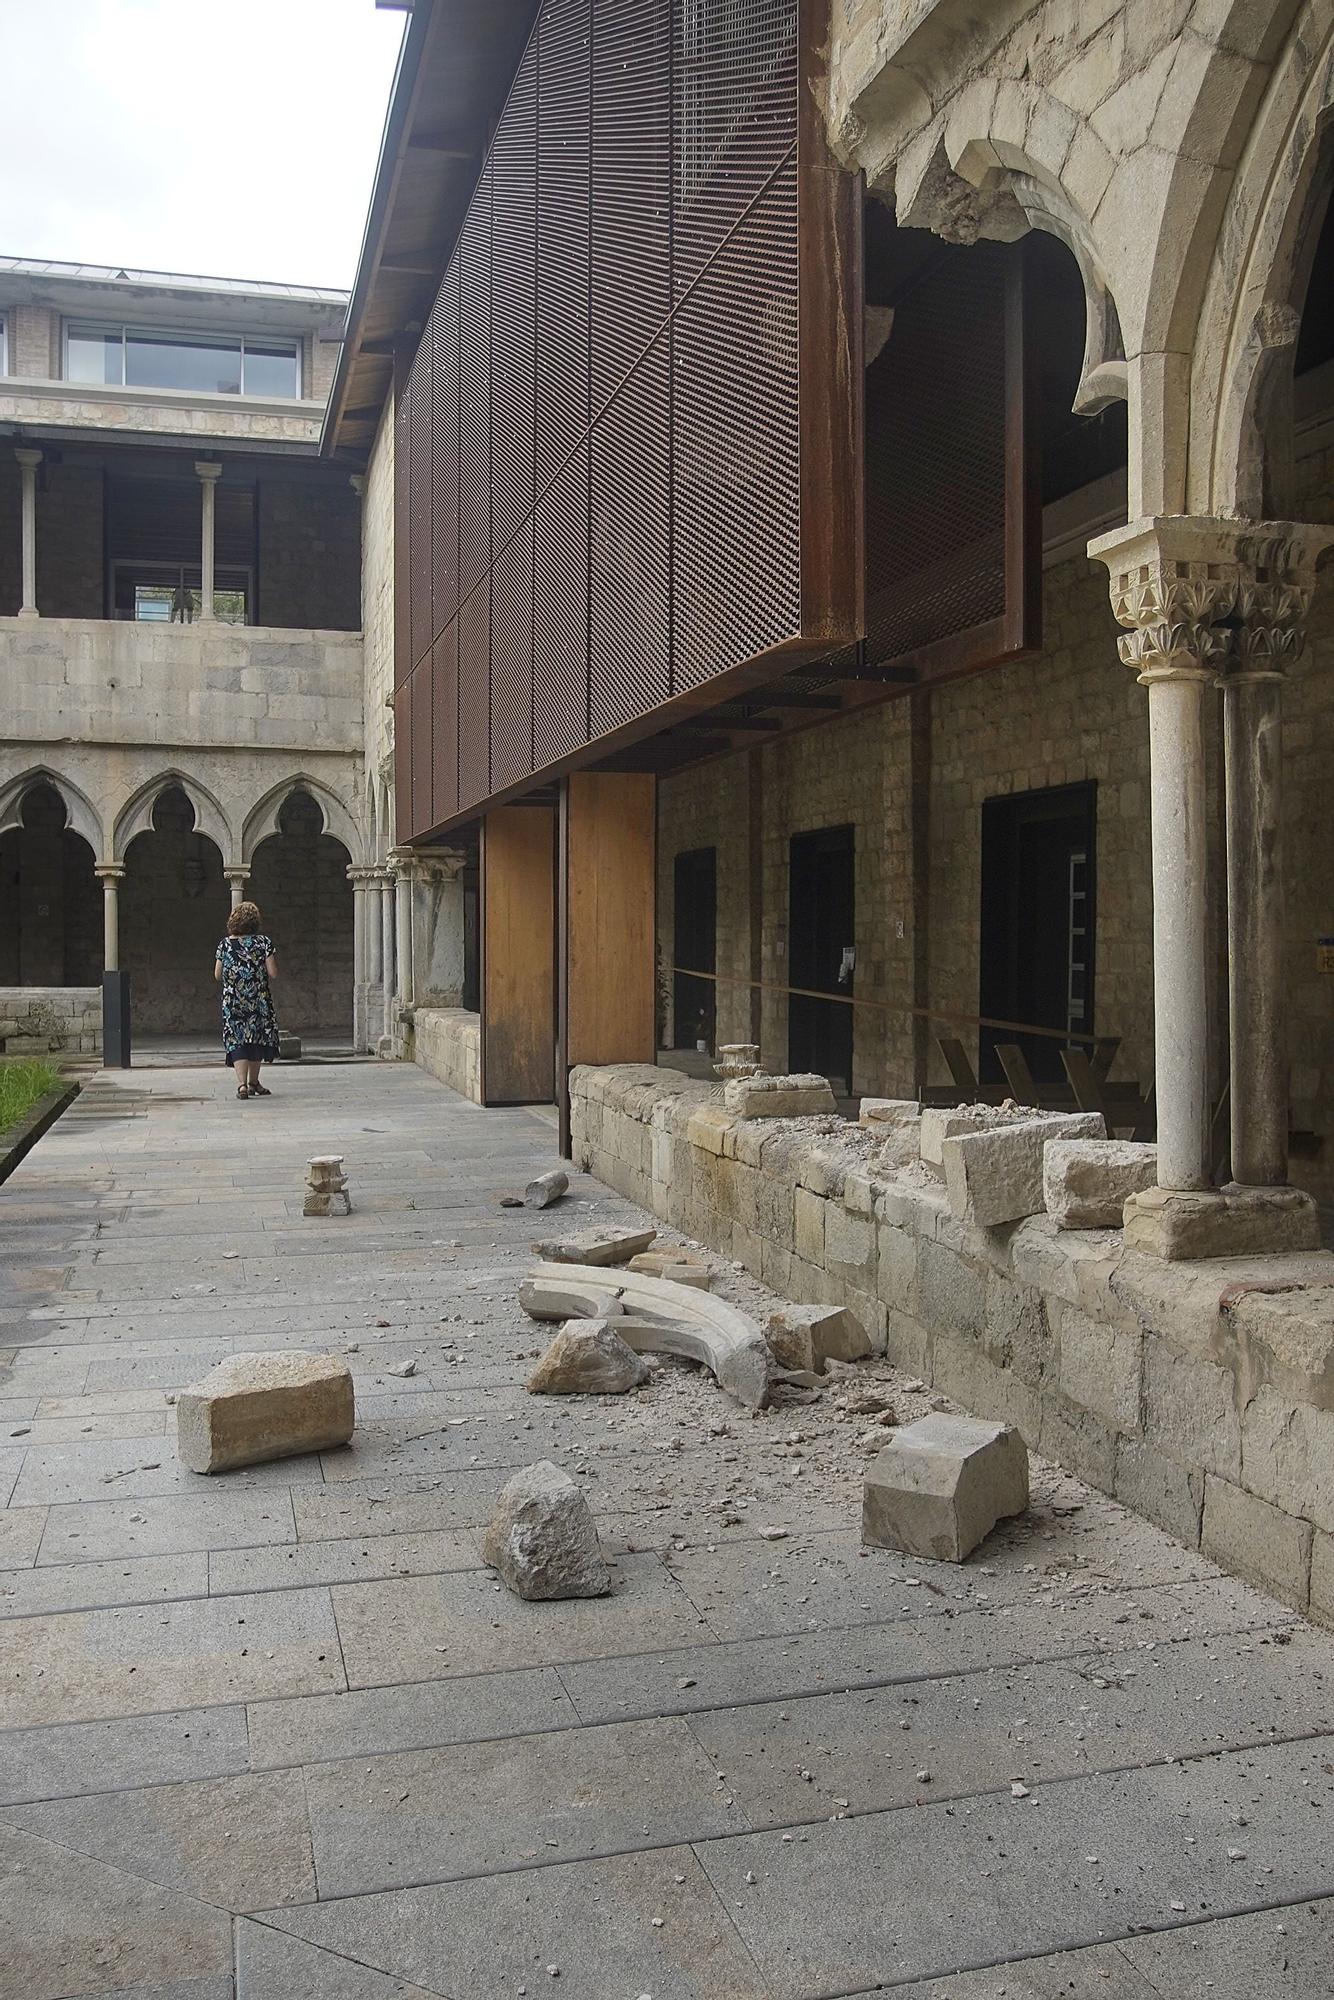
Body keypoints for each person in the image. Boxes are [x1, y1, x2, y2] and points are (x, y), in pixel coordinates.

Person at [215, 901, 280, 1099]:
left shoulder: (225, 944)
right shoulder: (264, 942)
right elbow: (273, 973)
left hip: (233, 1000)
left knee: (237, 1039)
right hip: (258, 999)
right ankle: (253, 1082)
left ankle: (242, 1085)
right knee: (256, 1038)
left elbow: (217, 974)